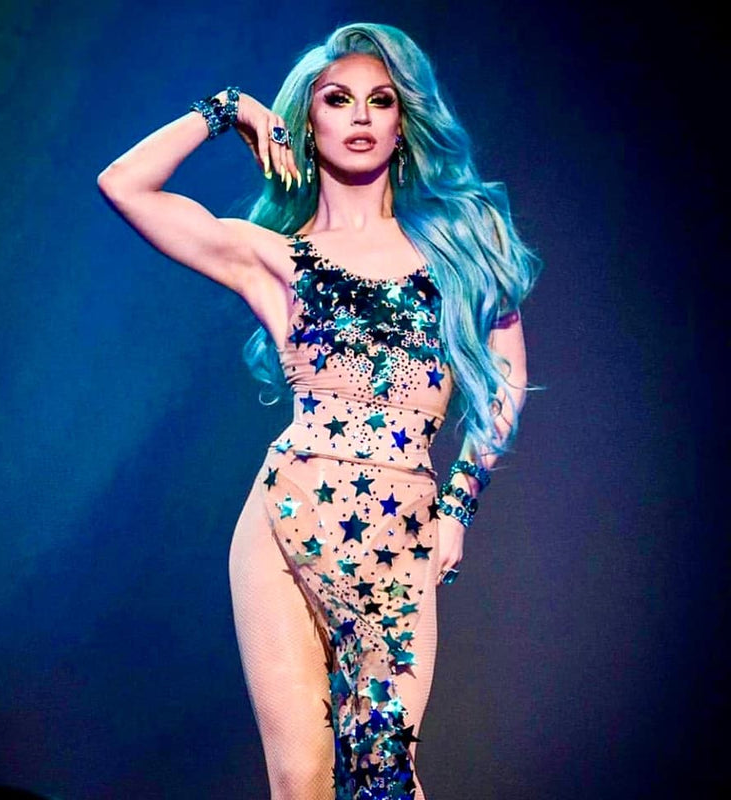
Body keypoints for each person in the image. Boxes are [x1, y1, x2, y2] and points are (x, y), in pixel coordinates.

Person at [98, 21, 538, 800]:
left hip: (398, 527)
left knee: (382, 776)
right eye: (338, 99)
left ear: (403, 122)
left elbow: (504, 385)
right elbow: (123, 185)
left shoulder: (463, 250)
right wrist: (229, 107)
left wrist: (460, 505)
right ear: (306, 120)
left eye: (380, 101)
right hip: (283, 515)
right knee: (299, 778)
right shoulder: (274, 256)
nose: (361, 116)